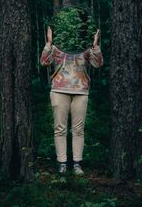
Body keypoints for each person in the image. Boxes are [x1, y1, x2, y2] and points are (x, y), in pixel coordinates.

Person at [40, 26, 103, 175]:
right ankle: (62, 163)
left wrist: (95, 46)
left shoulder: (85, 48)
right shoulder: (56, 47)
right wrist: (49, 43)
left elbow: (98, 63)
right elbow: (44, 62)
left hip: (80, 91)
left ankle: (77, 164)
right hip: (59, 90)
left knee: (78, 129)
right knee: (60, 128)